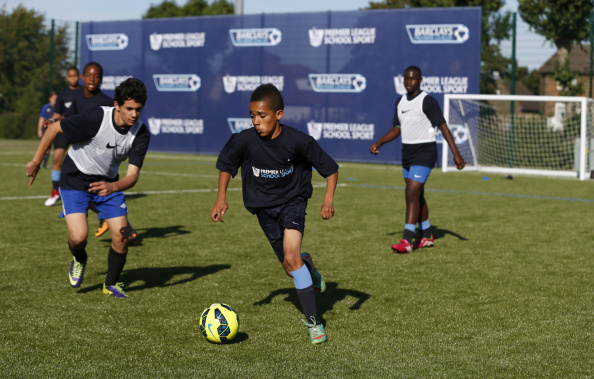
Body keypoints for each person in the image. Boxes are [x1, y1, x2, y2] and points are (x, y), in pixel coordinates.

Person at [210, 83, 339, 345]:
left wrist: (328, 199)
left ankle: (315, 323)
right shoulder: (243, 140)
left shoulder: (298, 141)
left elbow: (330, 169)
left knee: (291, 257)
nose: (256, 121)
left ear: (278, 114)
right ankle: (308, 265)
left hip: (293, 201)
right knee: (291, 269)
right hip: (263, 209)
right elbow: (227, 165)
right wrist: (221, 197)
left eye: (262, 115)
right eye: (252, 116)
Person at [26, 78, 150, 298]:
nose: (134, 114)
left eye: (138, 109)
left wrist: (113, 186)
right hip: (75, 180)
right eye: (129, 109)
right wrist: (36, 161)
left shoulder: (140, 133)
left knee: (121, 238)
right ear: (117, 105)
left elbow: (132, 176)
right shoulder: (96, 117)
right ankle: (79, 257)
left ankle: (110, 284)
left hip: (109, 185)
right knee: (78, 238)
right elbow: (54, 127)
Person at [370, 65, 465, 253]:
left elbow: (443, 127)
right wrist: (380, 142)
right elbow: (397, 128)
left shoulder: (428, 101)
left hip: (425, 153)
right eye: (406, 78)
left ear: (420, 80)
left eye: (412, 78)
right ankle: (427, 235)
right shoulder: (400, 102)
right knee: (417, 195)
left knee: (411, 192)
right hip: (408, 154)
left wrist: (456, 153)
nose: (408, 82)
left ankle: (407, 240)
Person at [49, 62, 139, 243]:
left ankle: (125, 229)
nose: (92, 79)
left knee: (97, 191)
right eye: (88, 75)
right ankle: (117, 225)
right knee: (64, 168)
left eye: (96, 76)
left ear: (101, 79)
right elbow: (68, 115)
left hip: (98, 158)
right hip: (78, 150)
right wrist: (52, 120)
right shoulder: (78, 97)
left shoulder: (105, 102)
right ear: (83, 78)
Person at [43, 66, 80, 206]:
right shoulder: (62, 94)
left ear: (79, 76)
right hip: (63, 130)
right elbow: (56, 115)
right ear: (67, 78)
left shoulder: (83, 92)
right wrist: (51, 126)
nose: (73, 78)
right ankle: (55, 192)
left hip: (79, 131)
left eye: (75, 76)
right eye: (70, 76)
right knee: (57, 159)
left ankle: (84, 192)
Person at [37, 91, 58, 168]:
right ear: (50, 98)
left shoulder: (58, 108)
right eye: (53, 98)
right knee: (46, 148)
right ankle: (44, 164)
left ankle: (57, 163)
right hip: (47, 131)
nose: (55, 100)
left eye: (56, 98)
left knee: (57, 148)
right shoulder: (46, 107)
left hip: (56, 130)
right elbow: (42, 118)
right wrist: (39, 129)